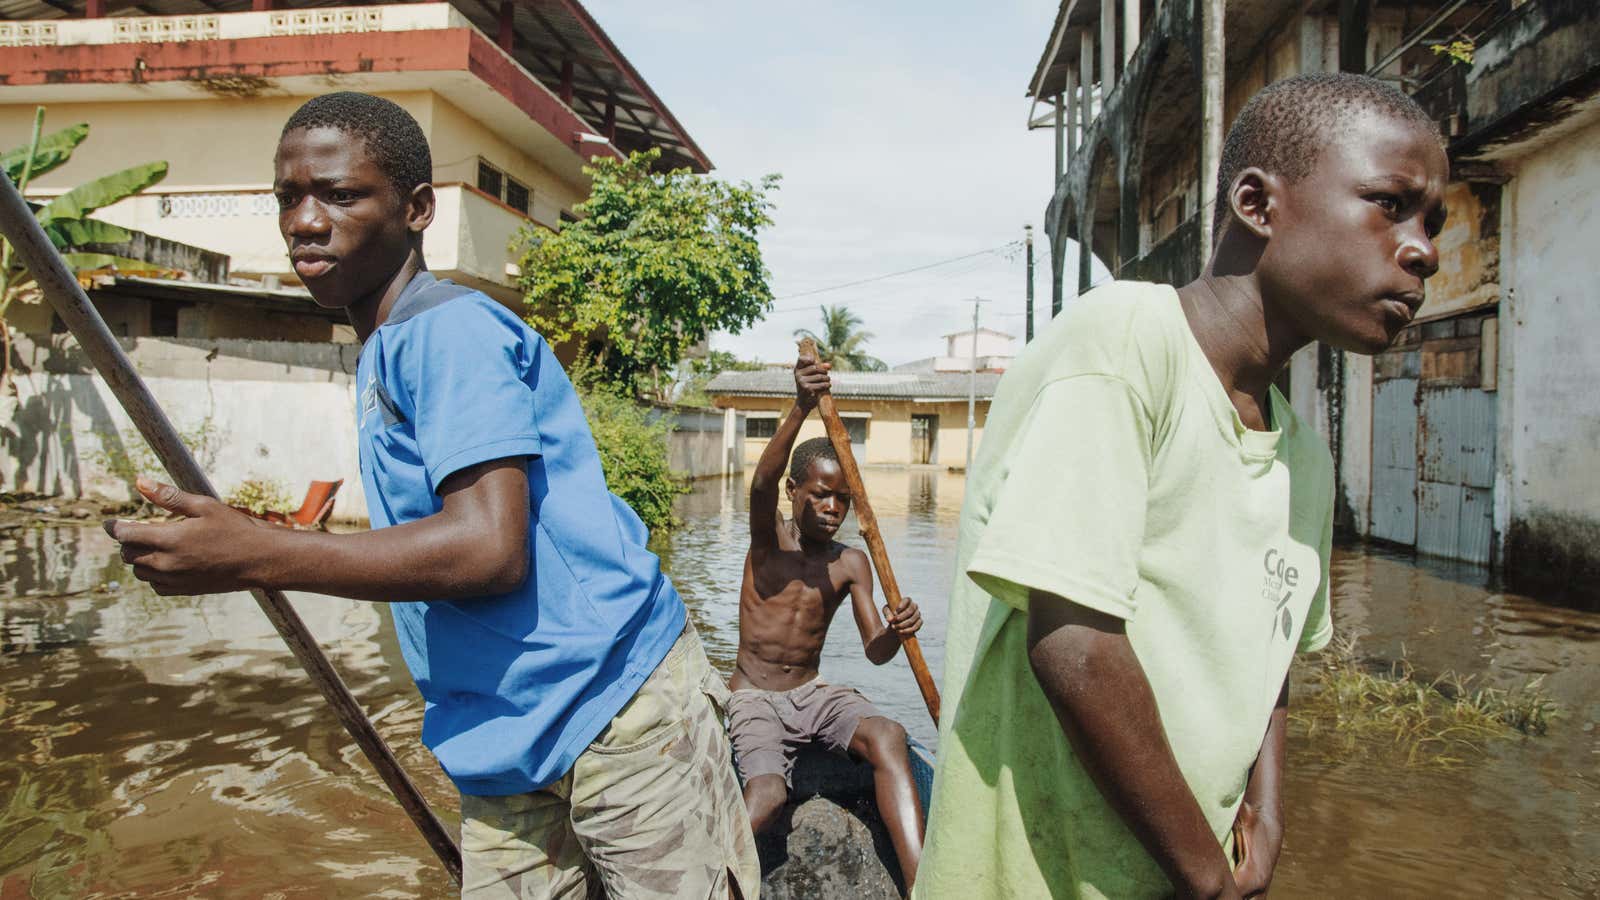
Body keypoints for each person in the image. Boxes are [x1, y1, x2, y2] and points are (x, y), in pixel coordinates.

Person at [102, 92, 758, 900]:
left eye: (340, 195)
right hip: (497, 730)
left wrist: (257, 553)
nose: (306, 220)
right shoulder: (386, 345)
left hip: (613, 704)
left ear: (416, 209)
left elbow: (489, 548)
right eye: (289, 197)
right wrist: (254, 549)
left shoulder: (450, 329)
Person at [916, 72, 1449, 899]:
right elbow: (1074, 642)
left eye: (1433, 222)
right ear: (1257, 205)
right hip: (1044, 876)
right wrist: (1206, 874)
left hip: (1184, 873)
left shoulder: (1301, 452)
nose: (1425, 249)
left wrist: (1266, 820)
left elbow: (1269, 663)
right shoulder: (1128, 341)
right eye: (1390, 204)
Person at [729, 354, 927, 888]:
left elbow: (875, 649)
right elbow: (760, 482)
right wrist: (799, 405)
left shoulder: (849, 562)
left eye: (843, 499)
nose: (832, 508)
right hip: (755, 697)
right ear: (795, 491)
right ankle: (710, 881)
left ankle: (922, 885)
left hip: (814, 694)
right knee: (769, 795)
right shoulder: (767, 541)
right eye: (819, 494)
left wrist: (898, 628)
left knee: (890, 735)